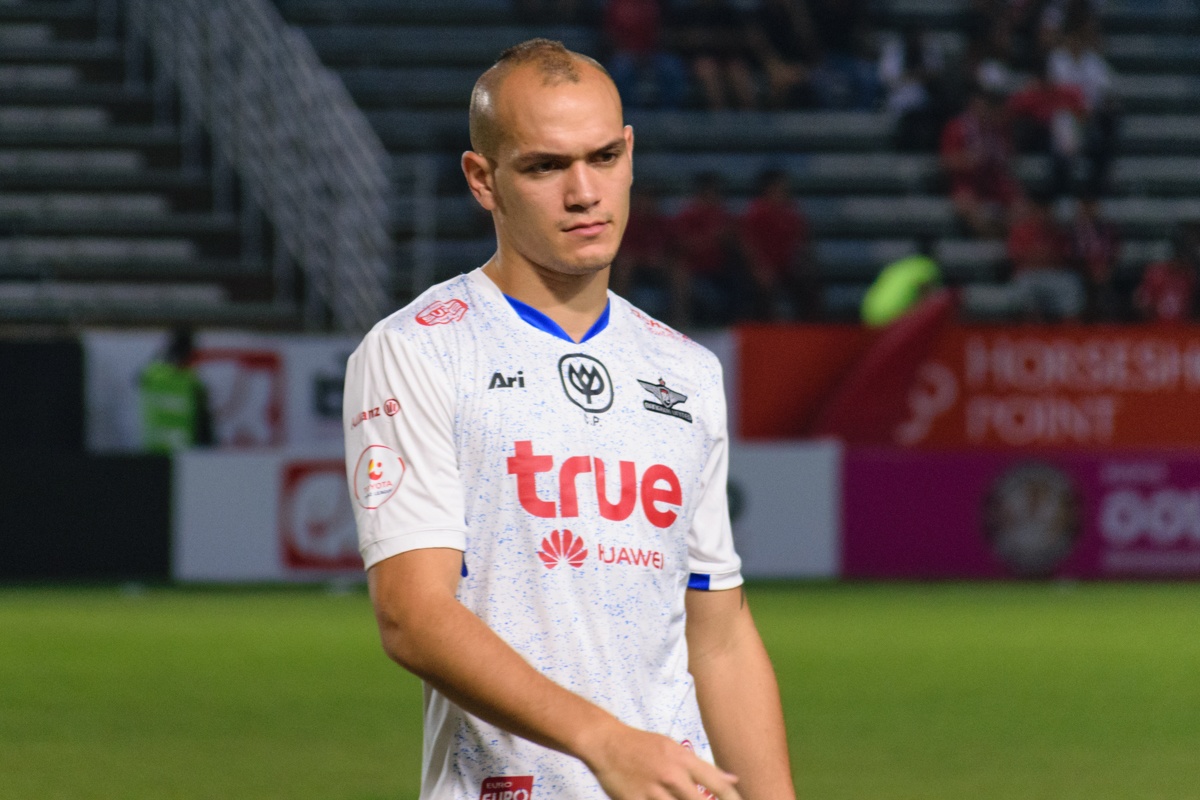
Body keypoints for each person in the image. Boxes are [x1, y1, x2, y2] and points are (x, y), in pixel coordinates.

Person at [342, 38, 795, 800]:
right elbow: (412, 616)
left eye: (603, 158)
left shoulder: (685, 370)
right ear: (482, 179)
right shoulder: (418, 350)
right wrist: (604, 742)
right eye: (545, 166)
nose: (585, 192)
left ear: (629, 154)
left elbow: (718, 637)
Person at [738, 168, 820, 321]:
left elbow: (802, 242)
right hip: (761, 269)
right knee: (760, 290)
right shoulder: (756, 212)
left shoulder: (791, 213)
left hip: (786, 269)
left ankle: (809, 326)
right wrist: (759, 269)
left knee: (809, 286)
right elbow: (747, 245)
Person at [138, 326, 212, 453]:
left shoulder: (152, 375)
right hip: (179, 451)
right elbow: (205, 423)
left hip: (157, 450)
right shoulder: (192, 382)